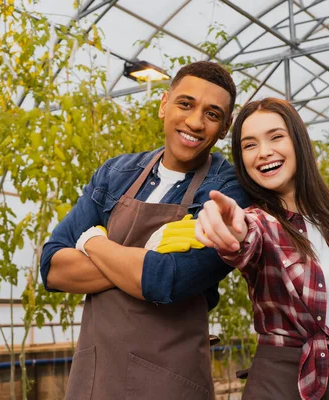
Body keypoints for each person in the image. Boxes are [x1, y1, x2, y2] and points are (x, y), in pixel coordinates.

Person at [39, 61, 249, 400]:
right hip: (95, 376)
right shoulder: (115, 173)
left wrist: (91, 240)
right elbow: (52, 268)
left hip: (170, 380)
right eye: (185, 104)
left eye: (212, 115)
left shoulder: (227, 189)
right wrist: (142, 258)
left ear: (225, 128)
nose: (195, 122)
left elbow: (166, 279)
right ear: (164, 104)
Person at [194, 98, 329, 400]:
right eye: (249, 145)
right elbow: (245, 242)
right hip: (278, 383)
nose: (264, 152)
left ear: (298, 141)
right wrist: (234, 227)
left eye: (275, 137)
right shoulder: (261, 222)